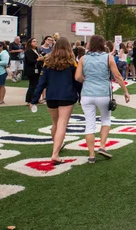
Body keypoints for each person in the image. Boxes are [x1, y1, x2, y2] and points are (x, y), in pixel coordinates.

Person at [75, 35, 130, 163]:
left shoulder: (83, 58)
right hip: (103, 93)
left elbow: (77, 77)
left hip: (87, 94)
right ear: (102, 44)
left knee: (89, 124)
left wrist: (86, 81)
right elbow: (117, 76)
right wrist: (125, 92)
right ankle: (102, 146)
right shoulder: (108, 57)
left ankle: (91, 155)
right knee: (105, 119)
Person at [30, 37, 81, 163]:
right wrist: (81, 95)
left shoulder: (48, 62)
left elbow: (41, 83)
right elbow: (77, 82)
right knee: (62, 124)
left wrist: (34, 99)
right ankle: (55, 153)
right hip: (67, 96)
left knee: (55, 123)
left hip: (51, 96)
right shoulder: (72, 62)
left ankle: (56, 145)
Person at [24, 38, 44, 110]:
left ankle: (34, 98)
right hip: (31, 70)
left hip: (37, 70)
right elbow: (30, 61)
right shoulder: (28, 51)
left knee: (35, 85)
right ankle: (29, 100)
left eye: (36, 41)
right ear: (30, 43)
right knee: (33, 85)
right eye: (34, 41)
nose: (35, 43)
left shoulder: (36, 50)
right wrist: (38, 59)